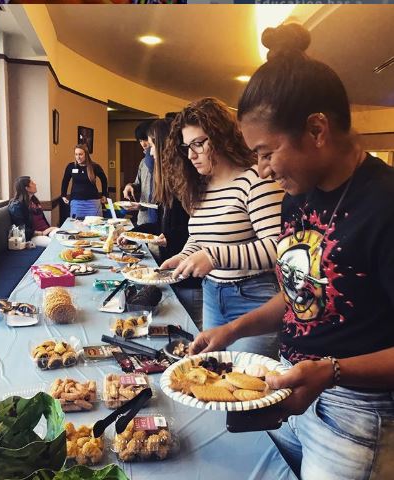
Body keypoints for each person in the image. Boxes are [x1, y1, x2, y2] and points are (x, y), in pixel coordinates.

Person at [189, 24, 394, 480]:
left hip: (354, 419)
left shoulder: (383, 206)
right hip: (289, 389)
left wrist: (331, 371)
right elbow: (301, 292)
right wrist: (232, 330)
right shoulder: (300, 196)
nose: (261, 172)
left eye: (266, 153)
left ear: (316, 129)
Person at [161, 97, 284, 357]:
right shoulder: (200, 187)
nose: (192, 154)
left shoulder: (255, 181)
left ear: (221, 138)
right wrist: (184, 256)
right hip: (212, 294)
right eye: (186, 147)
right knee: (216, 378)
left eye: (198, 143)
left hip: (254, 298)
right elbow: (200, 238)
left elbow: (278, 247)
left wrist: (215, 257)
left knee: (246, 386)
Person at [119, 118, 203, 328]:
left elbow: (195, 233)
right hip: (173, 273)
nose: (151, 153)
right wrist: (132, 233)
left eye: (153, 146)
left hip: (189, 281)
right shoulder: (169, 186)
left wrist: (170, 239)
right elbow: (163, 227)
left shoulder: (185, 187)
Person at [122, 119, 158, 225]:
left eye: (145, 139)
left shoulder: (164, 163)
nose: (143, 144)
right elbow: (138, 184)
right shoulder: (143, 162)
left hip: (158, 219)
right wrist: (130, 186)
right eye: (140, 140)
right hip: (142, 218)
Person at [61, 144, 108, 219]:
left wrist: (104, 195)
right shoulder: (71, 166)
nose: (78, 157)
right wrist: (63, 195)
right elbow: (65, 181)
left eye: (80, 154)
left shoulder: (94, 166)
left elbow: (104, 180)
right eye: (76, 154)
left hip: (93, 203)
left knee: (95, 227)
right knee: (76, 227)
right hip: (76, 203)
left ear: (86, 155)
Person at [8, 176, 57, 247]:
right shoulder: (17, 206)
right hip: (33, 236)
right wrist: (41, 233)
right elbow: (21, 229)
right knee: (54, 244)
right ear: (27, 188)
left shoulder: (34, 201)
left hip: (46, 231)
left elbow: (42, 220)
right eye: (32, 183)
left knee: (64, 237)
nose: (35, 184)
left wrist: (49, 229)